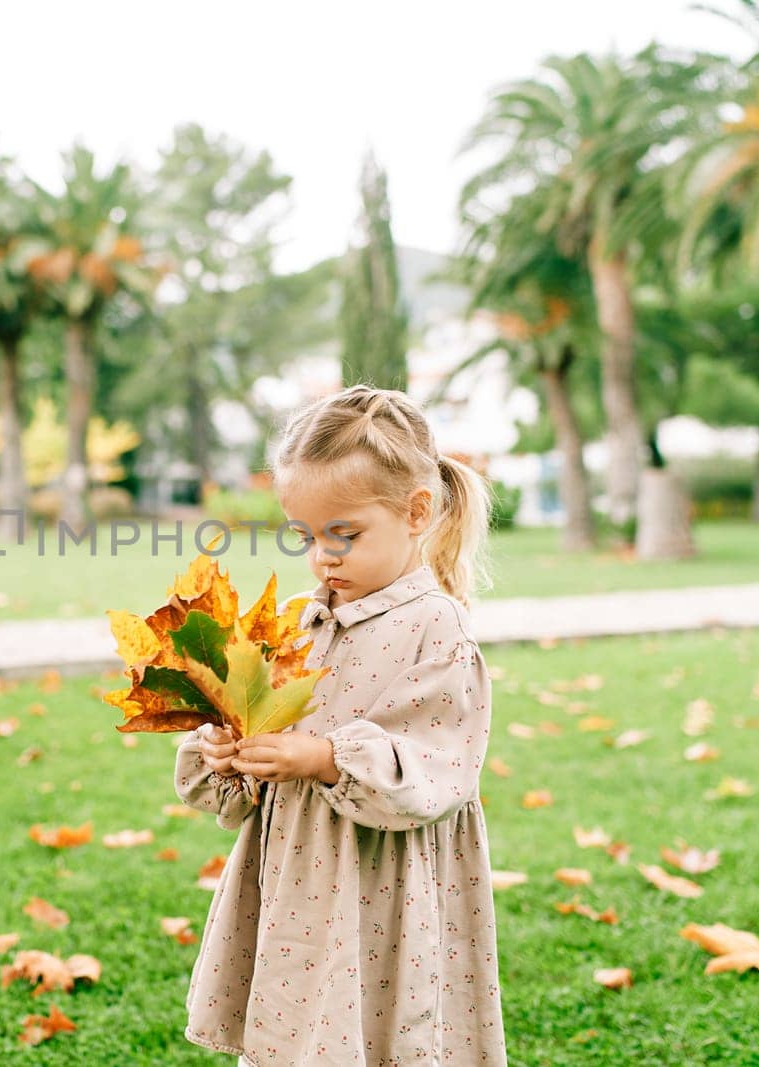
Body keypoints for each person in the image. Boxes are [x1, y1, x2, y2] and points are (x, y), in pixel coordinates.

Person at [173, 383, 508, 1066]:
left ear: (417, 512)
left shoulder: (435, 627)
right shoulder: (303, 619)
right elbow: (247, 740)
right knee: (297, 1026)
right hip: (298, 874)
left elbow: (437, 767)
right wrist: (229, 745)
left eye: (344, 535)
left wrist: (323, 757)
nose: (323, 555)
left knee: (375, 1030)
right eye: (306, 536)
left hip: (383, 881)